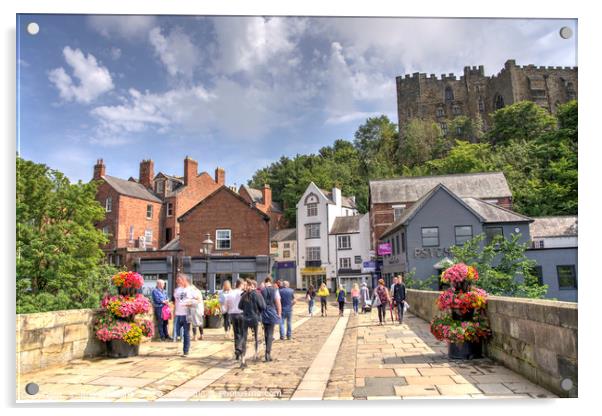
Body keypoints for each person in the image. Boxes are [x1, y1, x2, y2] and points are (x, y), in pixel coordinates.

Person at [238, 279, 266, 368]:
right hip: (255, 318)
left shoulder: (244, 295)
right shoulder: (257, 294)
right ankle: (255, 354)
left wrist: (246, 310)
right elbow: (263, 306)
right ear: (253, 286)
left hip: (245, 319)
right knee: (256, 337)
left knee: (244, 338)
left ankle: (243, 358)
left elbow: (239, 306)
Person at [260, 276, 282, 362]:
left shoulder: (262, 290)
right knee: (270, 333)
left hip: (264, 312)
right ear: (271, 281)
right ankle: (268, 353)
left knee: (266, 332)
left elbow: (260, 302)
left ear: (265, 281)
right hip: (272, 312)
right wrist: (279, 313)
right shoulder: (275, 290)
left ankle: (267, 351)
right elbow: (278, 302)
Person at [173, 274, 195, 356]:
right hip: (178, 314)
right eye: (177, 280)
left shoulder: (191, 289)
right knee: (177, 331)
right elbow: (176, 301)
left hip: (186, 314)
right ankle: (180, 340)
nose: (178, 281)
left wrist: (190, 303)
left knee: (186, 332)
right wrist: (174, 312)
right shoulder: (177, 290)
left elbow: (197, 300)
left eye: (179, 280)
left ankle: (186, 351)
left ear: (184, 280)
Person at [224, 279, 245, 360]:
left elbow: (226, 304)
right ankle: (239, 349)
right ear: (241, 284)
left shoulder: (230, 293)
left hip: (233, 314)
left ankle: (237, 352)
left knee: (236, 333)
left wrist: (227, 310)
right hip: (241, 313)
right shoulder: (242, 293)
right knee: (242, 333)